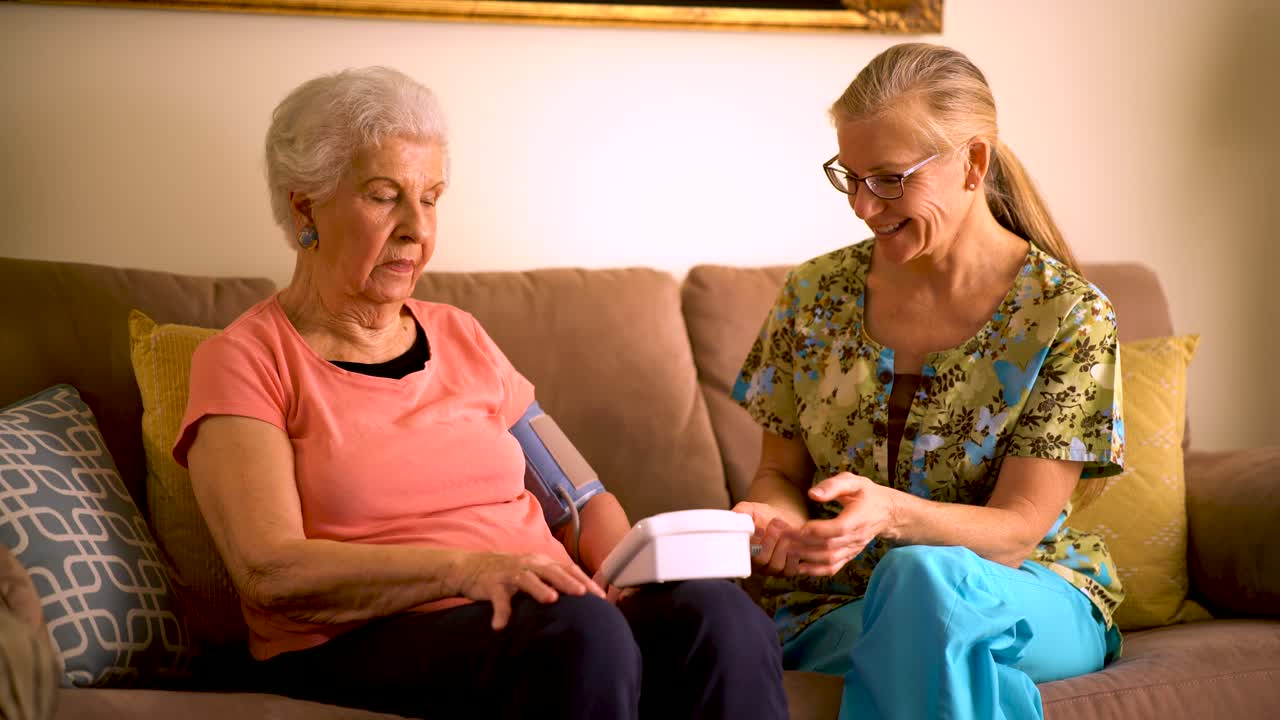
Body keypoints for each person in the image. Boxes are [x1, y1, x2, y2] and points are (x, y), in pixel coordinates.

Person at [174, 66, 787, 720]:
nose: (417, 227)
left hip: (541, 611)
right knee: (579, 632)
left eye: (431, 197)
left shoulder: (461, 335)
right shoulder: (245, 359)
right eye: (385, 196)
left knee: (721, 614)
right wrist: (463, 570)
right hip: (355, 639)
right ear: (305, 207)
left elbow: (578, 496)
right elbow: (271, 571)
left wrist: (628, 572)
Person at [731, 42, 1125, 720]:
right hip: (842, 607)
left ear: (973, 163)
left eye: (889, 179)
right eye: (847, 177)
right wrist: (777, 524)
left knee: (917, 581)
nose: (862, 205)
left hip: (1029, 591)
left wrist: (890, 513)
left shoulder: (1068, 314)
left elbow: (1017, 531)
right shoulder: (812, 294)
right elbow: (778, 475)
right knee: (932, 640)